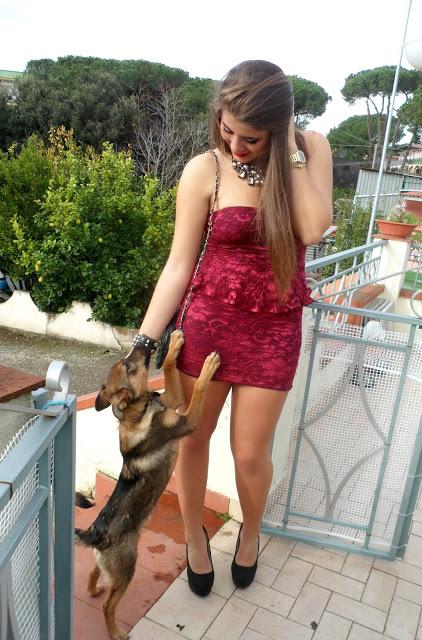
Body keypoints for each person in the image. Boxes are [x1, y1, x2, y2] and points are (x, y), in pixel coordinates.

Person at [133, 60, 333, 595]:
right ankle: (196, 539)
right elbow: (179, 264)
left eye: (251, 136)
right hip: (208, 325)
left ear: (279, 126)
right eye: (227, 128)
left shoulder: (308, 152)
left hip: (273, 329)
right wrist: (145, 341)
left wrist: (287, 147)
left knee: (249, 453)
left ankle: (251, 534)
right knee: (192, 439)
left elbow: (313, 226)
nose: (235, 144)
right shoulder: (206, 169)